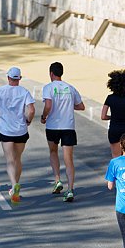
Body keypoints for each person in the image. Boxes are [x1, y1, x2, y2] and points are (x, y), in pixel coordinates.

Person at [0, 66, 35, 203]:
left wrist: (0, 113)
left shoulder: (0, 91)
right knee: (18, 159)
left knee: (10, 160)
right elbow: (31, 110)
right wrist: (28, 120)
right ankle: (16, 185)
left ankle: (14, 185)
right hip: (21, 130)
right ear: (19, 79)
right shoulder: (24, 92)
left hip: (6, 130)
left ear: (8, 78)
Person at [41, 62, 85, 202]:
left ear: (51, 74)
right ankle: (70, 189)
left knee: (53, 152)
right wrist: (68, 106)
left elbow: (48, 105)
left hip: (53, 126)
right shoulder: (70, 88)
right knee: (69, 159)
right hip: (68, 126)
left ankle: (57, 180)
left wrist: (44, 116)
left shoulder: (48, 88)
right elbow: (81, 106)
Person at [101, 69, 125, 158]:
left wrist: (112, 117)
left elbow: (103, 116)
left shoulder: (110, 98)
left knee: (115, 157)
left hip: (114, 129)